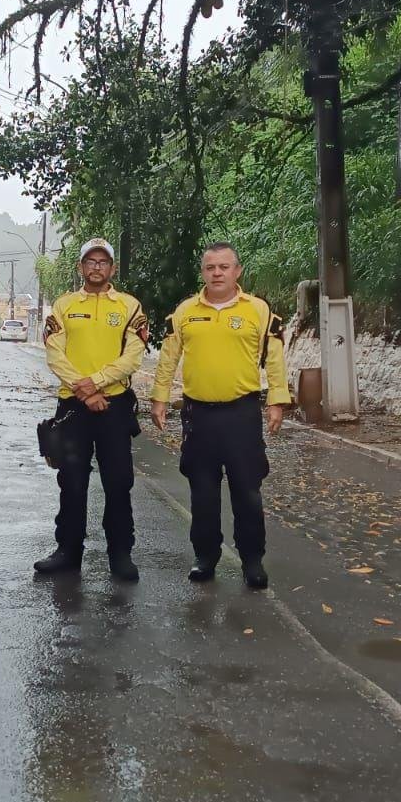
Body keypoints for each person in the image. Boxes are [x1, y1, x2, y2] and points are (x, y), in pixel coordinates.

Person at [149, 242, 290, 590]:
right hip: (199, 416)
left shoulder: (258, 310)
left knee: (247, 489)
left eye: (224, 267)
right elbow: (168, 357)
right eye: (210, 267)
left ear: (237, 271)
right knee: (203, 491)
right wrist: (160, 397)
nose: (217, 273)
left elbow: (274, 358)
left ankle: (252, 559)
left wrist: (277, 400)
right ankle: (205, 556)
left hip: (241, 414)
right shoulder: (185, 312)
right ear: (203, 272)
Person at [34, 238, 148, 582]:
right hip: (73, 408)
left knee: (118, 482)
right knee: (72, 481)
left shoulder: (129, 306)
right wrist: (84, 392)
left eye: (103, 262)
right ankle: (67, 551)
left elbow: (133, 356)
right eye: (90, 261)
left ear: (112, 269)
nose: (96, 267)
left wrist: (95, 383)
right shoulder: (64, 306)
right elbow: (55, 353)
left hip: (114, 406)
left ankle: (120, 555)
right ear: (81, 267)